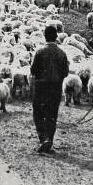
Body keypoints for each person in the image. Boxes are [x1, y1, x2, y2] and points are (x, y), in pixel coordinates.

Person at [30, 25, 70, 153]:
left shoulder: (40, 51)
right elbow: (66, 72)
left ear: (45, 36)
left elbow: (33, 70)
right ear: (56, 37)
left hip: (41, 87)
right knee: (52, 114)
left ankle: (43, 139)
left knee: (38, 113)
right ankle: (50, 141)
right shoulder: (62, 53)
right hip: (56, 88)